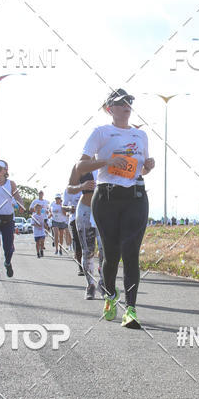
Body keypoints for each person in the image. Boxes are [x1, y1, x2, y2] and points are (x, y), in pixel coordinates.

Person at [76, 88, 155, 329]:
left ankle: (131, 309)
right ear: (111, 108)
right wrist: (107, 161)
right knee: (111, 255)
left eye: (130, 101)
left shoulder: (141, 136)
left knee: (131, 253)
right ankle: (110, 294)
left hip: (135, 196)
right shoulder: (101, 132)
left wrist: (149, 166)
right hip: (107, 197)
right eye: (121, 103)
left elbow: (141, 169)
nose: (127, 106)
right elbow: (81, 166)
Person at [67, 167, 105, 299]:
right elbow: (69, 188)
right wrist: (82, 185)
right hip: (85, 209)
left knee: (104, 250)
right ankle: (90, 285)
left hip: (103, 210)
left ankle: (103, 282)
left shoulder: (108, 159)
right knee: (88, 251)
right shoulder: (81, 165)